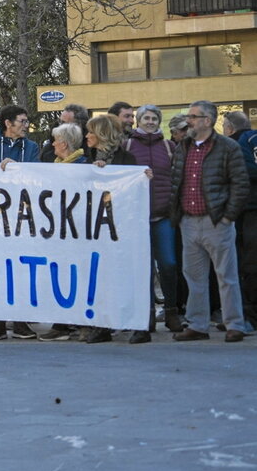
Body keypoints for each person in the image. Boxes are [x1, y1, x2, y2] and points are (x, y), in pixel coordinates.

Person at [170, 100, 249, 343]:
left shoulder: (227, 147)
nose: (189, 121)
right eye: (189, 116)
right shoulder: (183, 147)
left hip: (216, 222)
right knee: (194, 277)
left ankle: (234, 324)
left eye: (193, 116)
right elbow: (176, 181)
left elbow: (240, 184)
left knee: (226, 275)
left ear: (208, 120)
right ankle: (197, 325)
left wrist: (227, 217)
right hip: (189, 222)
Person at [0, 104, 40, 341]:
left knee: (20, 268)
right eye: (22, 121)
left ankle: (21, 322)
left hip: (22, 217)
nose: (26, 125)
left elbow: (37, 176)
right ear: (8, 123)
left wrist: (17, 168)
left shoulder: (31, 147)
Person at [125, 105, 183, 343]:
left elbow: (178, 177)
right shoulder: (127, 146)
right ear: (138, 121)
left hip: (163, 215)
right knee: (143, 269)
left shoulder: (169, 147)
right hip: (136, 218)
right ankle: (146, 315)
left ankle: (171, 312)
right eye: (146, 118)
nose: (150, 121)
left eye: (154, 118)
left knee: (168, 264)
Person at [83, 114, 138, 344]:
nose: (86, 136)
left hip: (122, 227)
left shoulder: (127, 160)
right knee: (101, 277)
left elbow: (132, 188)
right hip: (98, 229)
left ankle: (137, 326)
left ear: (102, 134)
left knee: (127, 276)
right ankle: (103, 326)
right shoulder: (88, 159)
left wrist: (142, 177)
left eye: (90, 132)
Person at [38, 123, 90, 342]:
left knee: (78, 275)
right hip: (59, 231)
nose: (52, 144)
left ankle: (76, 323)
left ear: (65, 143)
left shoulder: (84, 166)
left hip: (77, 231)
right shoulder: (56, 166)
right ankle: (64, 323)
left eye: (55, 140)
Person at [221, 110, 257, 330]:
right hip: (249, 210)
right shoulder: (253, 140)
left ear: (230, 128)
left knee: (243, 264)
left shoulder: (231, 145)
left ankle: (248, 315)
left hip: (243, 211)